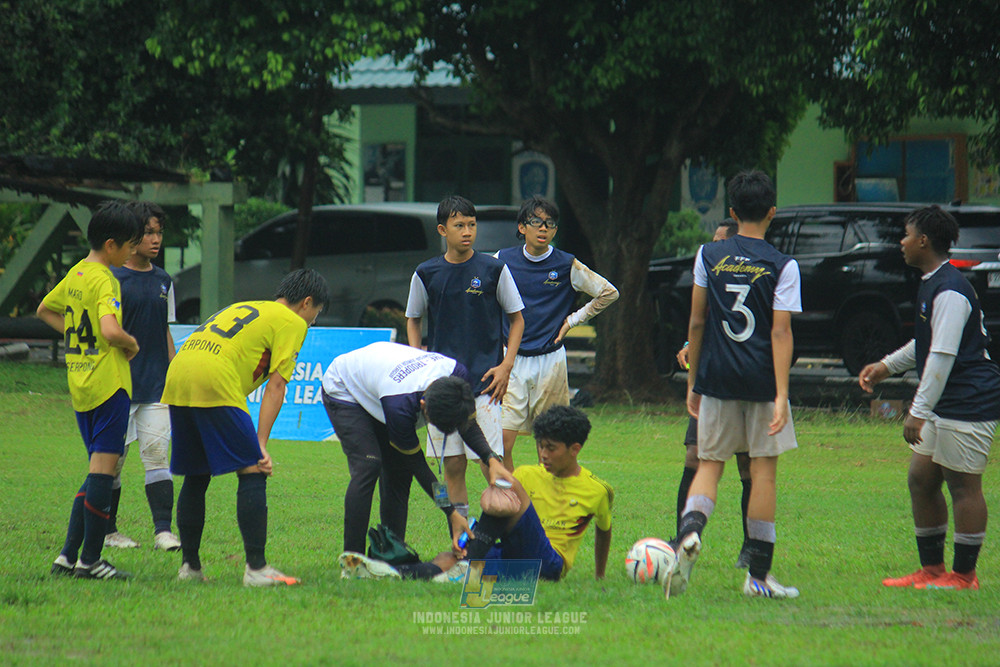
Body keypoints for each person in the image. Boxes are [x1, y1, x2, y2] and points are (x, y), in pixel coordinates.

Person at [673, 170, 802, 600]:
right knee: (763, 472)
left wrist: (694, 380)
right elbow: (780, 333)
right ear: (772, 213)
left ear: (731, 212)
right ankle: (759, 578)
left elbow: (696, 320)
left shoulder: (708, 254)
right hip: (762, 382)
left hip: (717, 378)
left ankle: (690, 534)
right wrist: (782, 394)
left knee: (709, 465)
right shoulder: (783, 264)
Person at [859, 205, 1000, 591]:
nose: (901, 242)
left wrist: (917, 411)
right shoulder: (932, 282)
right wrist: (886, 366)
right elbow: (927, 344)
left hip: (968, 399)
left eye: (906, 235)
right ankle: (933, 570)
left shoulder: (951, 290)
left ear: (923, 241)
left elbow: (943, 356)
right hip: (945, 399)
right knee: (921, 478)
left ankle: (964, 576)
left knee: (963, 486)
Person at [162, 268, 329, 586]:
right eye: (315, 314)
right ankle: (256, 568)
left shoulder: (245, 306)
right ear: (306, 303)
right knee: (253, 468)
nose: (312, 321)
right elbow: (277, 385)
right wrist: (261, 443)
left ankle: (190, 569)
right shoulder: (292, 321)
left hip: (179, 373)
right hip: (214, 376)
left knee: (196, 474)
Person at [340, 405, 613, 583]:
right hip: (511, 557)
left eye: (551, 448)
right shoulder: (529, 473)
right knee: (447, 560)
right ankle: (385, 573)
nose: (543, 454)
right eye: (540, 446)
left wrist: (600, 576)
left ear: (575, 449)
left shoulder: (597, 489)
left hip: (547, 564)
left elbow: (604, 530)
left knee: (506, 485)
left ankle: (471, 557)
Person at [320, 341, 514, 557]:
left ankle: (391, 555)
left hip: (380, 381)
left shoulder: (458, 377)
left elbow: (467, 425)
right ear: (423, 406)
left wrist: (492, 459)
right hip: (345, 388)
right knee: (369, 464)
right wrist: (450, 511)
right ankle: (352, 560)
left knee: (398, 474)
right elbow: (420, 469)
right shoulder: (400, 407)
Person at [40, 200, 143, 580]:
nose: (133, 250)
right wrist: (129, 344)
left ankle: (67, 557)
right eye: (130, 244)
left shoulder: (76, 274)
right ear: (112, 244)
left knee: (97, 470)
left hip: (80, 384)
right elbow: (111, 330)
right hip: (109, 384)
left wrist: (78, 342)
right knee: (105, 471)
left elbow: (45, 311)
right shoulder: (105, 279)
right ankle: (91, 561)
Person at [405, 195, 525, 520]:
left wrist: (506, 365)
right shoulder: (426, 273)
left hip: (485, 384)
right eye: (459, 225)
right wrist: (419, 359)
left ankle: (502, 537)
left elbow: (517, 319)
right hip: (442, 389)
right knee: (453, 466)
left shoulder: (493, 269)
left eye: (472, 224)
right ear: (443, 229)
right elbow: (412, 319)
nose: (468, 231)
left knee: (491, 463)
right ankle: (461, 543)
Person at [495, 196, 618, 470]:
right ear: (521, 227)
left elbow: (609, 292)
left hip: (550, 361)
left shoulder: (566, 264)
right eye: (536, 222)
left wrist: (573, 320)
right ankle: (513, 504)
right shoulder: (501, 261)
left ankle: (545, 503)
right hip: (510, 360)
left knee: (549, 443)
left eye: (550, 224)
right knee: (501, 442)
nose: (543, 228)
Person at [673, 218, 752, 568]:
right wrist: (692, 345)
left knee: (748, 466)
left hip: (744, 377)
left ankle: (751, 546)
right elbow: (701, 317)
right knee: (694, 456)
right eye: (714, 240)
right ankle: (684, 536)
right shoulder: (708, 270)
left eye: (721, 240)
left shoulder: (749, 272)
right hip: (710, 375)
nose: (715, 246)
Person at [103, 202, 181, 552]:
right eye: (149, 232)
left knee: (157, 456)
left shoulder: (164, 281)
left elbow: (165, 329)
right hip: (117, 387)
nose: (156, 239)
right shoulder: (111, 279)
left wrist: (175, 373)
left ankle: (163, 531)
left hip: (155, 387)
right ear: (131, 237)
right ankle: (108, 530)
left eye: (159, 232)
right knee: (112, 462)